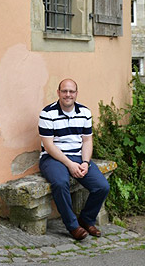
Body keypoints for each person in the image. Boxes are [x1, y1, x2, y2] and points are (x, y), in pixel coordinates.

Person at [38, 78, 110, 240]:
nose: (68, 95)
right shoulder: (47, 113)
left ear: (76, 93)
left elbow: (87, 140)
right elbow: (49, 146)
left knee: (102, 186)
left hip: (78, 156)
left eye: (71, 91)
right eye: (64, 91)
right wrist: (70, 164)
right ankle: (72, 226)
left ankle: (86, 219)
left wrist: (84, 162)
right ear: (58, 93)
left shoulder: (84, 112)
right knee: (60, 183)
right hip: (52, 158)